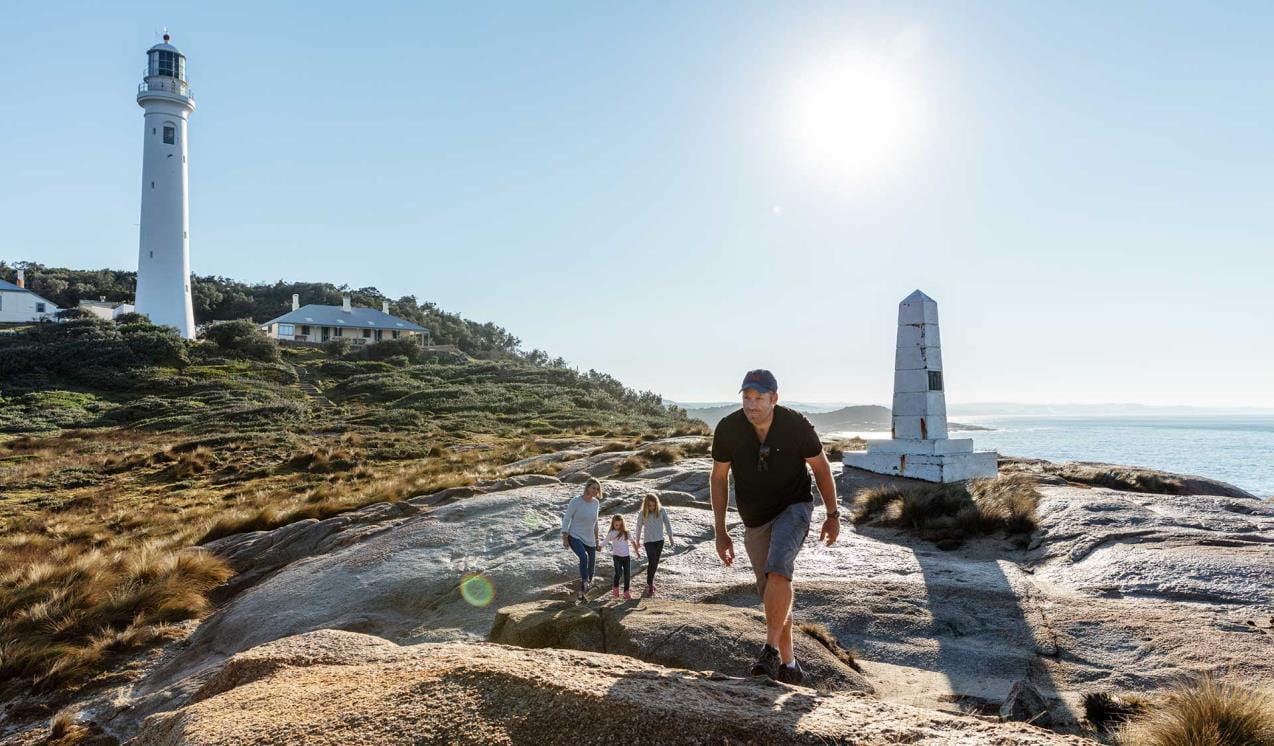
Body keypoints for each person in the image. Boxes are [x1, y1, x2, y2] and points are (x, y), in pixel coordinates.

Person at [710, 369, 840, 686]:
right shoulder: (729, 428)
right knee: (772, 590)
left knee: (779, 568)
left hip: (794, 507)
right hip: (754, 518)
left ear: (774, 399)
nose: (751, 405)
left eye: (758, 398)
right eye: (746, 398)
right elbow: (718, 478)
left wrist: (833, 514)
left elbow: (821, 468)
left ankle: (768, 649)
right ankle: (790, 665)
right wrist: (721, 531)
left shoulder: (795, 424)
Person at [561, 478, 602, 600]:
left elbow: (595, 522)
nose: (595, 490)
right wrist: (564, 537)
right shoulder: (576, 501)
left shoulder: (596, 503)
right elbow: (567, 518)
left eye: (597, 488)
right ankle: (584, 581)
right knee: (584, 557)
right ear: (587, 488)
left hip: (590, 538)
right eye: (593, 488)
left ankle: (582, 592)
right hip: (575, 536)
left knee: (591, 569)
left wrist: (597, 540)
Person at [634, 493, 674, 597]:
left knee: (655, 563)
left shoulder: (661, 511)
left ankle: (651, 581)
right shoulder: (642, 513)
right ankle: (649, 583)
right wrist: (637, 541)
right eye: (649, 505)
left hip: (659, 541)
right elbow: (638, 527)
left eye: (653, 505)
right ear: (646, 505)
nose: (651, 507)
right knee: (652, 561)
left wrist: (670, 537)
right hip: (648, 542)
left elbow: (667, 523)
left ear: (657, 504)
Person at [605, 515, 637, 600]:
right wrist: (600, 546)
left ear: (622, 524)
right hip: (617, 557)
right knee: (618, 573)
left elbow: (632, 541)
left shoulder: (626, 532)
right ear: (613, 524)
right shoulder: (612, 533)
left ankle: (626, 592)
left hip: (626, 557)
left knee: (627, 575)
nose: (618, 526)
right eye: (616, 525)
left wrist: (636, 551)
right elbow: (605, 541)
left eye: (619, 525)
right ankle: (615, 588)